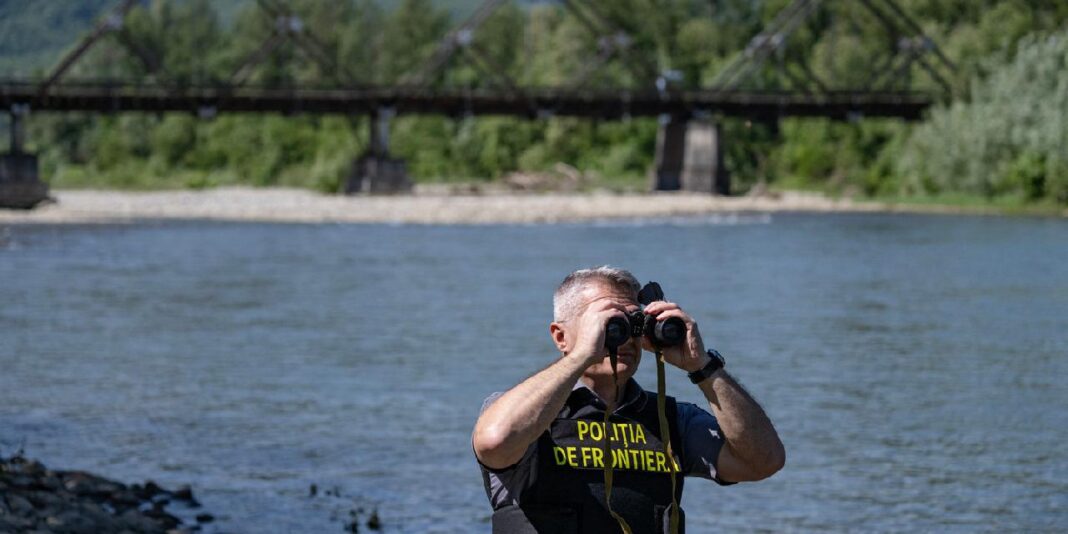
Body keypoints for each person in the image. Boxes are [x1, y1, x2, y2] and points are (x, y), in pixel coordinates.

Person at [473, 266, 785, 534]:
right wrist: (582, 355)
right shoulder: (522, 414)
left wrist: (703, 366)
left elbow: (763, 461)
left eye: (633, 325)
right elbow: (494, 442)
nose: (624, 339)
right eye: (610, 326)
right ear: (560, 337)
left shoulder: (671, 420)